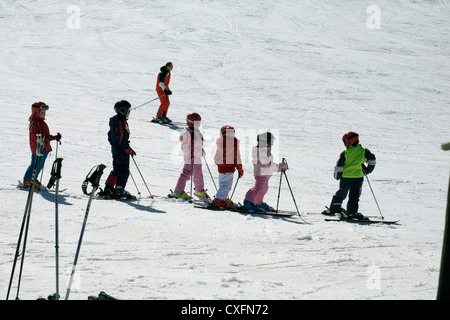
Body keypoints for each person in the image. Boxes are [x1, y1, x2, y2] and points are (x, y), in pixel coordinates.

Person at [322, 131, 376, 220]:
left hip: (345, 177)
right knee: (354, 196)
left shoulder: (345, 152)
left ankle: (334, 208)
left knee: (341, 193)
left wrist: (337, 176)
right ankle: (351, 213)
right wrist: (367, 170)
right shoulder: (363, 151)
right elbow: (372, 161)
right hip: (358, 177)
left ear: (349, 141)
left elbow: (339, 166)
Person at [99, 100, 136, 200]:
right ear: (122, 111)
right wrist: (126, 148)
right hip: (121, 149)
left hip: (116, 148)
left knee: (117, 169)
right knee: (124, 170)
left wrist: (115, 145)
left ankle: (109, 187)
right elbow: (122, 136)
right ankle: (119, 189)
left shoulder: (115, 121)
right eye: (128, 110)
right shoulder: (120, 121)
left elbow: (110, 135)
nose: (129, 113)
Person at [243, 132, 287, 211]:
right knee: (258, 188)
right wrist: (279, 166)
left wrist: (279, 168)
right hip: (261, 173)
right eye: (271, 141)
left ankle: (258, 202)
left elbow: (269, 164)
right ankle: (248, 202)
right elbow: (266, 163)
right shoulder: (261, 151)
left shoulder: (266, 151)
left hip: (265, 174)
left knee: (263, 189)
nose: (272, 143)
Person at [23, 102, 61, 188]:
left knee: (40, 165)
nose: (44, 115)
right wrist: (48, 138)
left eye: (45, 113)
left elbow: (45, 137)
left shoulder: (41, 123)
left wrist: (54, 137)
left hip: (44, 148)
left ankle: (33, 178)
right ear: (36, 112)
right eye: (42, 112)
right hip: (38, 148)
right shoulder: (35, 123)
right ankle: (28, 180)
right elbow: (38, 137)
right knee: (35, 164)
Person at [171, 113, 209, 199]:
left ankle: (199, 191)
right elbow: (185, 146)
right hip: (190, 158)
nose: (198, 124)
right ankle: (178, 191)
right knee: (186, 175)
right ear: (190, 122)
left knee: (198, 175)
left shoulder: (197, 131)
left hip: (197, 158)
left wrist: (201, 151)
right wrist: (189, 155)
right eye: (196, 122)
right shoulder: (186, 133)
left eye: (199, 122)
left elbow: (198, 145)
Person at [213, 125, 244, 208]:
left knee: (222, 184)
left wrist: (218, 163)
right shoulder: (233, 143)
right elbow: (237, 156)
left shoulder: (220, 142)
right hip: (229, 167)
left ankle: (222, 198)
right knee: (226, 186)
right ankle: (219, 199)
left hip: (221, 167)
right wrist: (240, 168)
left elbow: (217, 155)